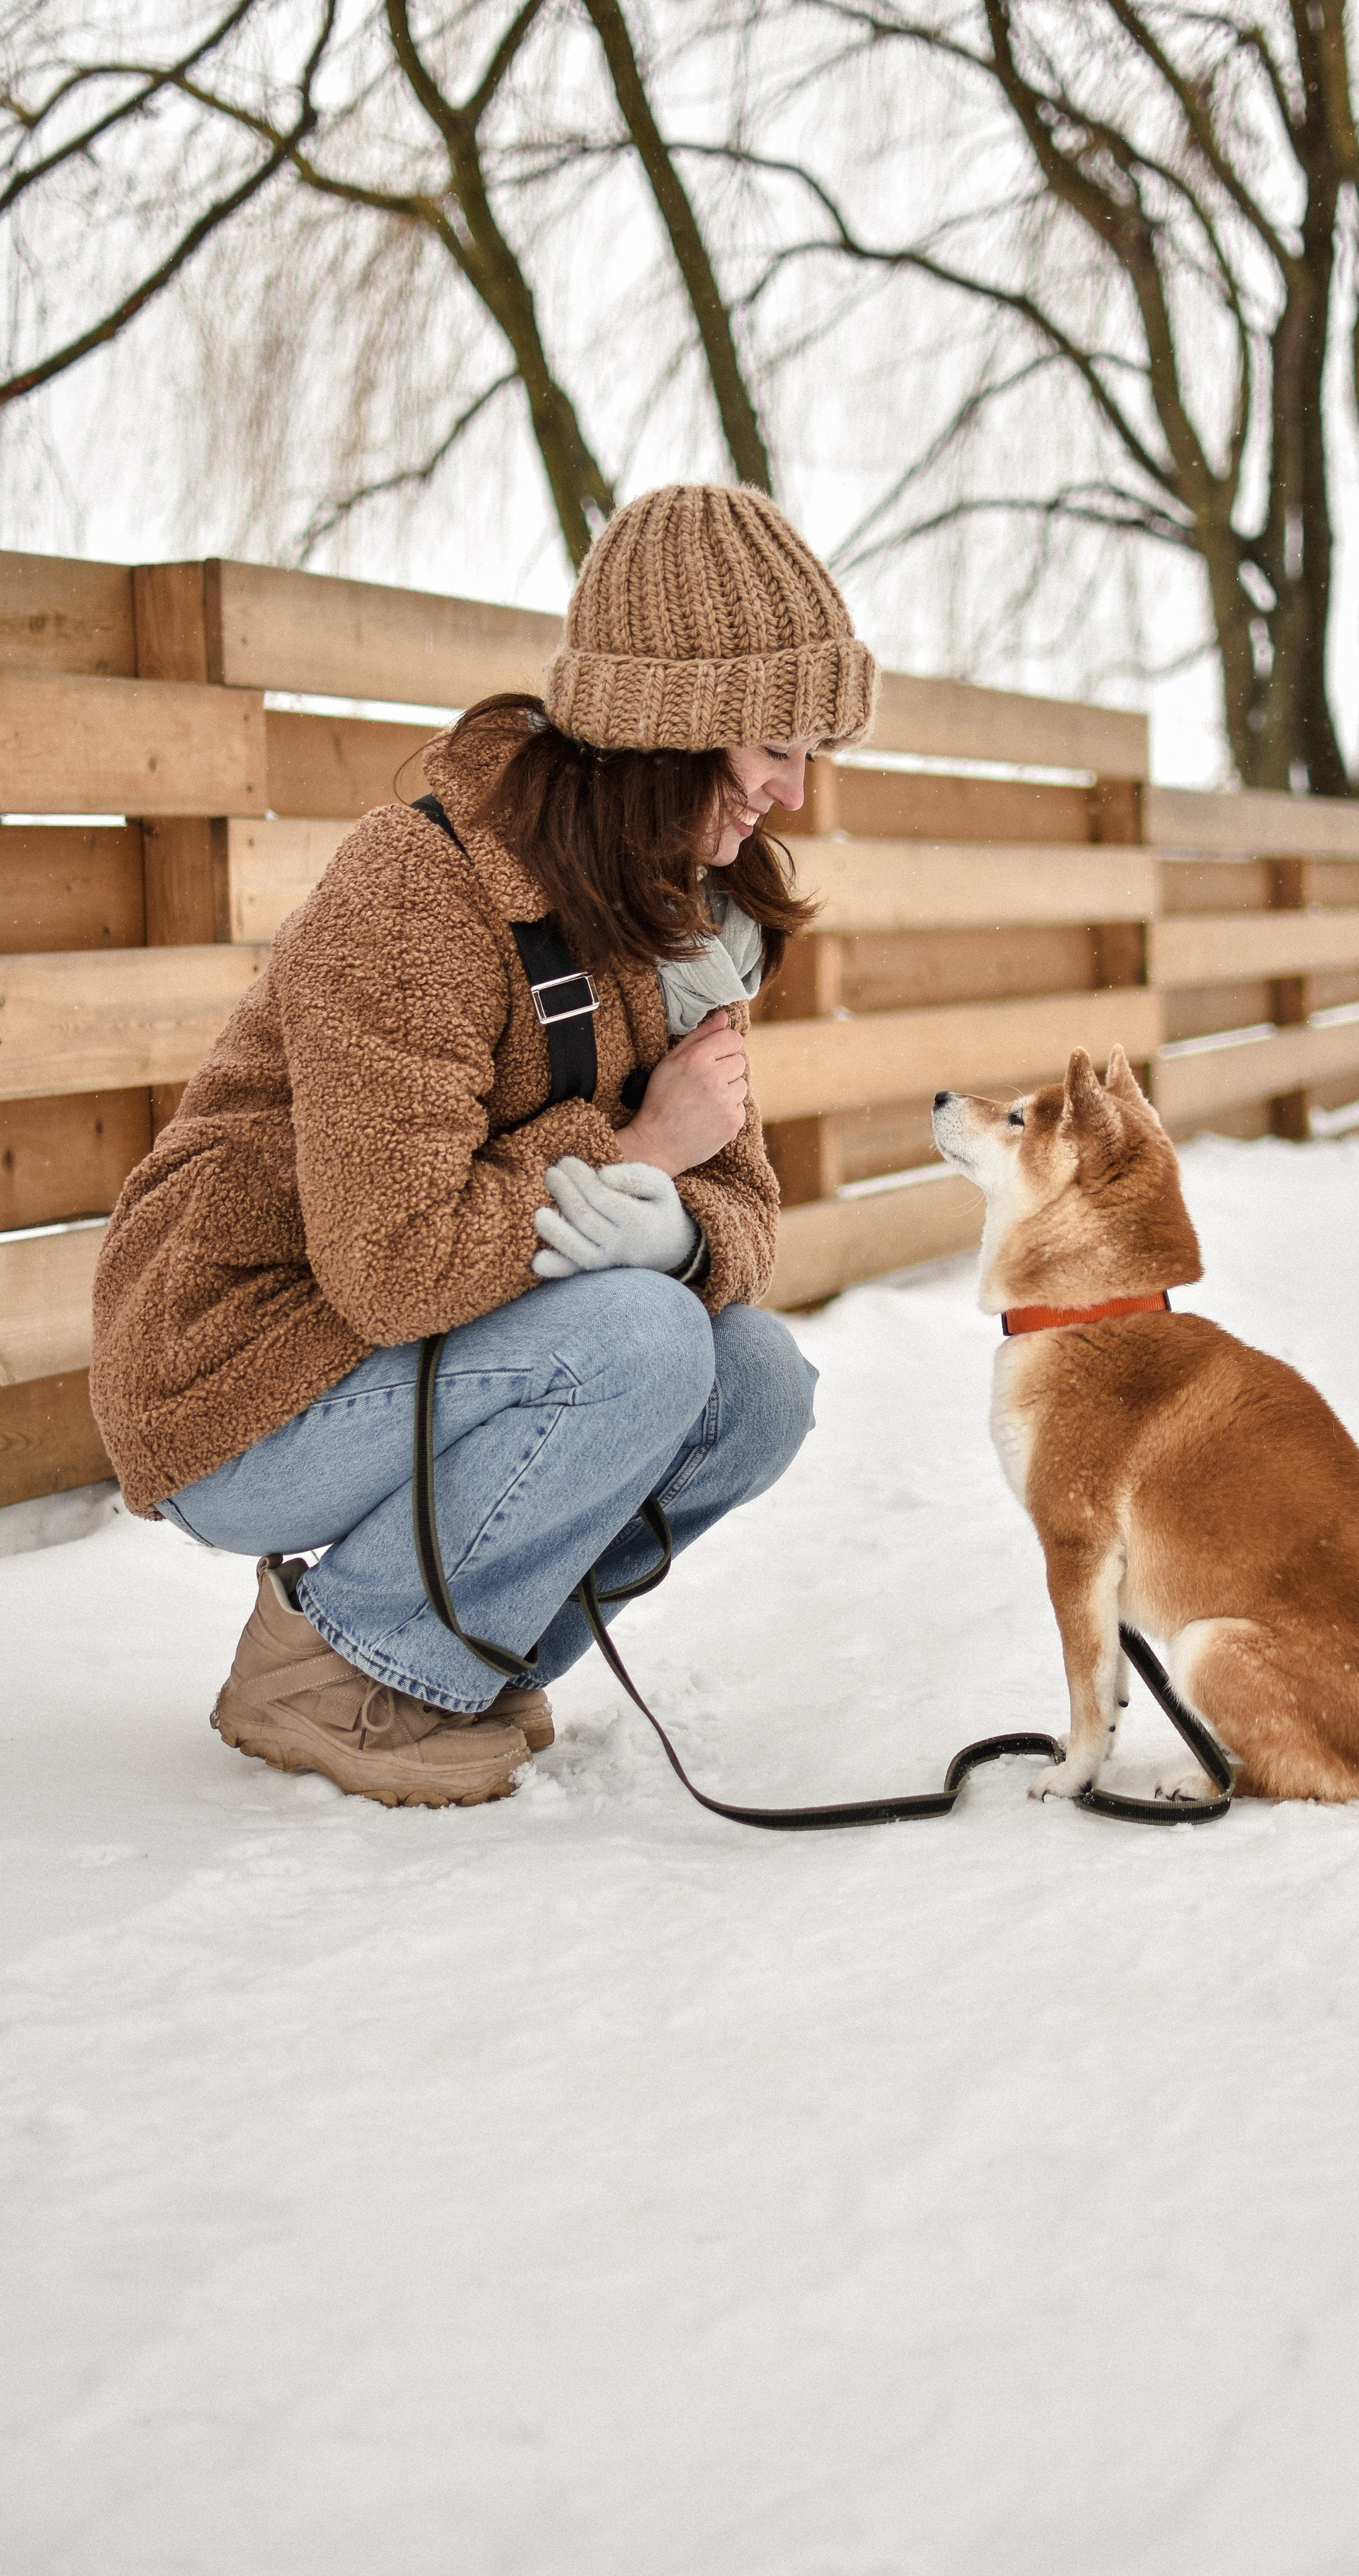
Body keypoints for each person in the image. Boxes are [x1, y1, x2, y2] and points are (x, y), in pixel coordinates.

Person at [89, 484, 877, 1807]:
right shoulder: (422, 888)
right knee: (644, 1343)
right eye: (774, 747)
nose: (792, 793)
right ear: (672, 731)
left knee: (754, 1386)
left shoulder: (685, 921)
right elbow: (392, 1265)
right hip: (239, 1380)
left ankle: (454, 1664)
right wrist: (626, 1152)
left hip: (416, 1357)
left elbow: (742, 1204)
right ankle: (333, 1666)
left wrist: (679, 1227)